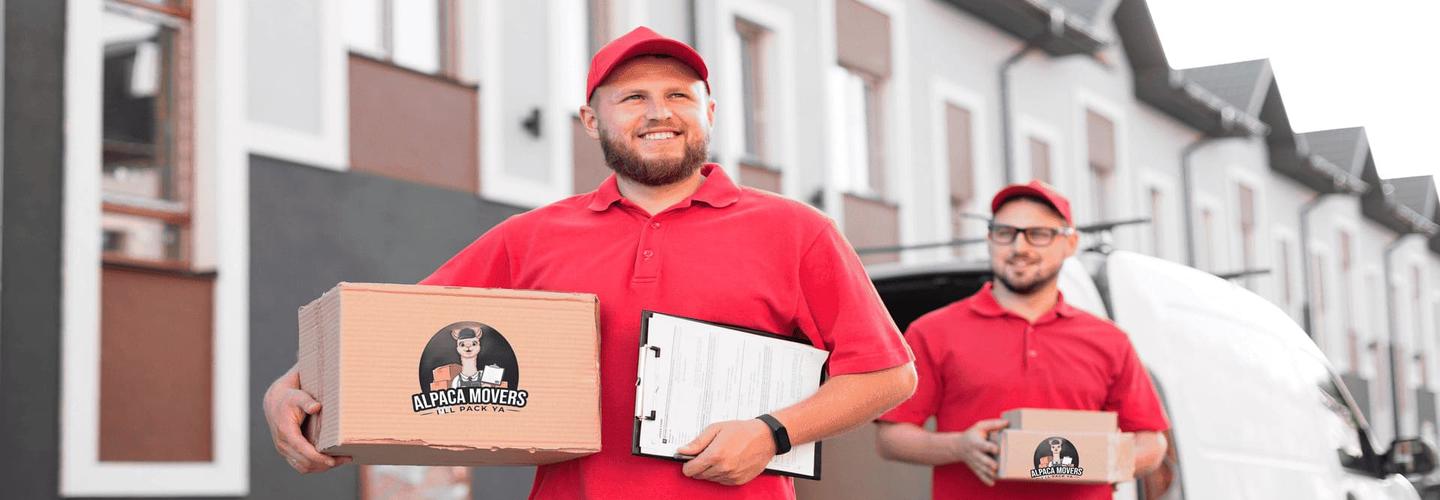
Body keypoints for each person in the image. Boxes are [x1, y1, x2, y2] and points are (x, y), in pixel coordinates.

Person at [262, 26, 916, 499]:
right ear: (590, 120)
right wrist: (285, 391)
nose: (659, 112)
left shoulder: (795, 231)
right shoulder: (530, 238)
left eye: (679, 95)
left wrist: (773, 433)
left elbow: (888, 374)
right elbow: (391, 330)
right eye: (632, 98)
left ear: (710, 113)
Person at [874, 180, 1168, 499]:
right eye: (1005, 233)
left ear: (1070, 243)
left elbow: (1152, 442)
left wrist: (1109, 463)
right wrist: (959, 447)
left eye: (1038, 234)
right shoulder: (933, 331)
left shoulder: (1110, 340)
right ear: (990, 239)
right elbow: (891, 438)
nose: (1019, 248)